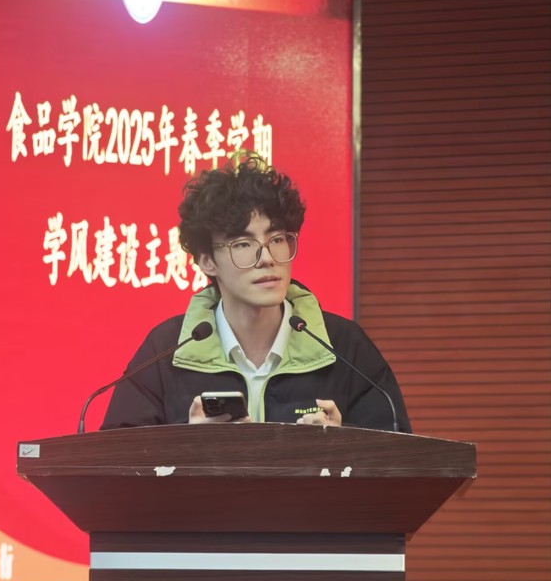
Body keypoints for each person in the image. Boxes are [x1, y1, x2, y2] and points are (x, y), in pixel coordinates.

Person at [102, 156, 411, 432]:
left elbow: (400, 458)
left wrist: (345, 443)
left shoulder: (344, 346)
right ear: (207, 261)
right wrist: (188, 442)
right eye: (243, 244)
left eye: (277, 239)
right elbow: (115, 462)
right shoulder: (167, 350)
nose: (266, 258)